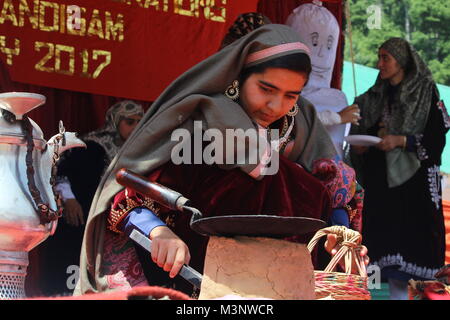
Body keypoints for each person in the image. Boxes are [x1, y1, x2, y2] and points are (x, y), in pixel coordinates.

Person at [75, 24, 367, 296]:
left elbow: (336, 193)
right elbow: (127, 198)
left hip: (287, 289)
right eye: (266, 89)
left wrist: (341, 234)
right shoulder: (196, 132)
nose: (276, 106)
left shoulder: (301, 130)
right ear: (237, 77)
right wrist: (158, 232)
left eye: (291, 95)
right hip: (200, 291)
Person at [349, 37, 450, 300]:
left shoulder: (425, 93)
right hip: (382, 184)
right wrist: (360, 147)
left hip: (415, 185)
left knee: (416, 246)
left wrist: (402, 141)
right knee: (378, 244)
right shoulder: (375, 96)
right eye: (378, 56)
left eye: (386, 58)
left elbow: (437, 137)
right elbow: (366, 132)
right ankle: (374, 296)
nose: (379, 63)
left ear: (402, 61)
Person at [39, 100, 144, 296]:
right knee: (68, 267)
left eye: (140, 122)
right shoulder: (90, 144)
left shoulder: (136, 150)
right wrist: (69, 199)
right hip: (79, 214)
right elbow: (59, 171)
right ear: (115, 121)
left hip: (110, 219)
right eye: (129, 122)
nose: (135, 127)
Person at [286, 1, 361, 157]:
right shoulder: (285, 92)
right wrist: (337, 117)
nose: (321, 54)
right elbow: (297, 121)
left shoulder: (337, 97)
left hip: (331, 173)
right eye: (314, 42)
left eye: (329, 46)